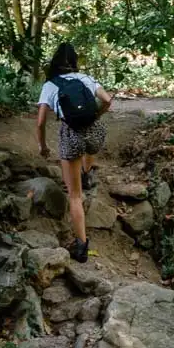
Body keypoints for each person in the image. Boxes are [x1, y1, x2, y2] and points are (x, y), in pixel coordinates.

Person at [36, 43, 113, 262]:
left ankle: (81, 247)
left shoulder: (50, 85)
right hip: (95, 132)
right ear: (74, 61)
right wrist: (97, 115)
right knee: (90, 144)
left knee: (75, 196)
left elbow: (40, 123)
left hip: (71, 135)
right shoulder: (85, 78)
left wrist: (43, 147)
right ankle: (86, 173)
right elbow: (108, 100)